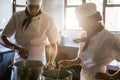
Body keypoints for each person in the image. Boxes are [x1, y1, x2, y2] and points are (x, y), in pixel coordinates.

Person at [59, 3, 120, 80]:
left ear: (92, 19)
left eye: (81, 21)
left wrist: (112, 77)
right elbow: (82, 59)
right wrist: (70, 62)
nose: (79, 25)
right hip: (83, 76)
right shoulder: (84, 35)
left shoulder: (110, 39)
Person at [1, 0, 61, 80]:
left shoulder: (48, 19)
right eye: (31, 6)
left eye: (36, 7)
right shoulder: (17, 16)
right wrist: (16, 48)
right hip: (20, 62)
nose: (34, 9)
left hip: (39, 63)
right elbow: (2, 38)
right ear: (26, 3)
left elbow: (53, 43)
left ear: (40, 5)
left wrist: (51, 61)